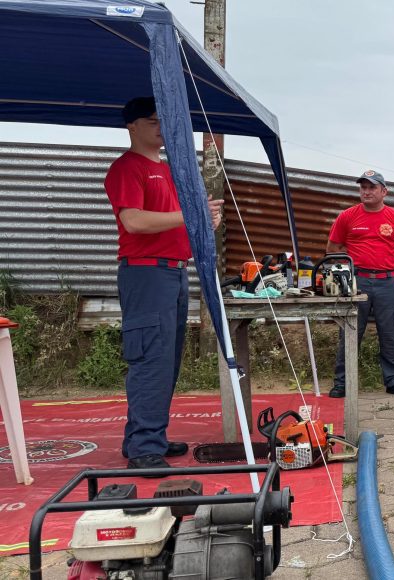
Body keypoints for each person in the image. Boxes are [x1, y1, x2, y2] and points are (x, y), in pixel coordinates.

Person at [106, 97, 223, 471]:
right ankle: (144, 447)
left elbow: (178, 222)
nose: (160, 127)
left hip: (173, 270)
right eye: (152, 121)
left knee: (166, 360)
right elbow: (135, 221)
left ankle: (148, 435)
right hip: (145, 272)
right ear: (132, 127)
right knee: (150, 357)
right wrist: (190, 214)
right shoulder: (128, 168)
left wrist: (204, 221)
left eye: (163, 120)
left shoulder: (168, 170)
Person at [326, 170, 394, 399]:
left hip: (387, 282)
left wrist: (390, 267)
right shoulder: (347, 216)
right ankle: (342, 382)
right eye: (363, 187)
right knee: (349, 332)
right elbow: (333, 249)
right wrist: (347, 274)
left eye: (372, 188)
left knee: (390, 332)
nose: (366, 192)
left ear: (383, 191)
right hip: (358, 282)